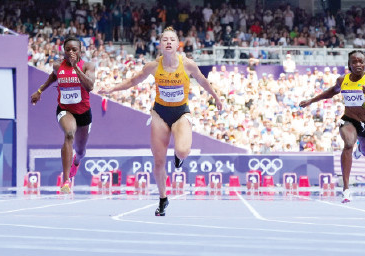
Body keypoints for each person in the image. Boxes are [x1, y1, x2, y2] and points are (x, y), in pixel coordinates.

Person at [102, 27, 223, 216]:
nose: (168, 42)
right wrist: (112, 89)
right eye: (164, 39)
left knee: (183, 151)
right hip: (159, 113)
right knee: (158, 161)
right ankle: (163, 199)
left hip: (181, 112)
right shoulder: (153, 66)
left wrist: (216, 97)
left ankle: (178, 158)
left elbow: (202, 80)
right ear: (160, 44)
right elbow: (133, 81)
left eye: (171, 39)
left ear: (177, 44)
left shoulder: (188, 64)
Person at [299, 50, 365, 203]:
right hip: (348, 120)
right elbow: (330, 92)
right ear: (349, 65)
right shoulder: (342, 80)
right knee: (348, 144)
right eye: (355, 62)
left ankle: (360, 149)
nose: (358, 64)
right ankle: (346, 189)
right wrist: (311, 101)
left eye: (361, 62)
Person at [30, 36, 95, 193]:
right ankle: (66, 180)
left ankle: (77, 161)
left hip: (84, 113)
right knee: (69, 134)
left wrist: (75, 68)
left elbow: (90, 86)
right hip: (65, 109)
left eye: (74, 49)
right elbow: (54, 76)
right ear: (63, 51)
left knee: (80, 151)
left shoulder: (87, 66)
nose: (71, 52)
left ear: (80, 51)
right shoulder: (58, 65)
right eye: (68, 49)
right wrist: (39, 91)